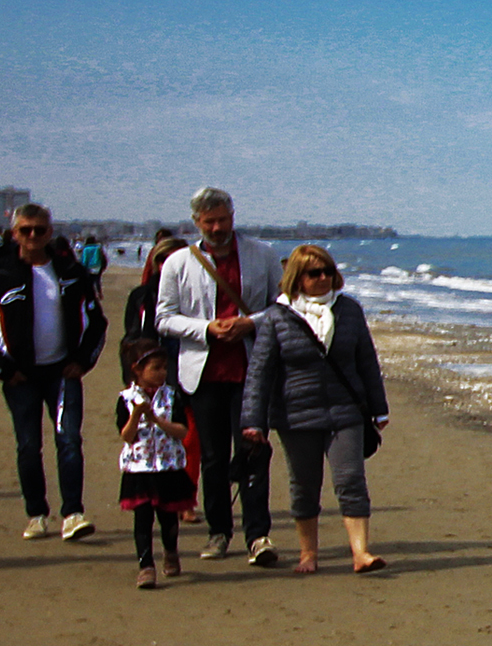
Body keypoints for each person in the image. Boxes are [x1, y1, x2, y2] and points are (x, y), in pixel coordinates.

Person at [241, 244, 390, 575]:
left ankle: (361, 552)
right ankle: (308, 553)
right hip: (296, 415)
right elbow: (260, 372)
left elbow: (367, 361)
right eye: (314, 273)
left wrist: (379, 409)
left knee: (351, 479)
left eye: (328, 271)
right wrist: (253, 421)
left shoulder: (349, 310)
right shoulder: (278, 316)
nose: (323, 278)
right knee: (304, 484)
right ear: (297, 278)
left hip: (346, 410)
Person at [157, 187, 283, 564]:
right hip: (202, 373)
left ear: (233, 215)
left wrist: (250, 322)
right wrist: (207, 329)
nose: (217, 227)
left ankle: (258, 535)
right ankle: (218, 531)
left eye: (223, 219)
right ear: (196, 222)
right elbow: (164, 317)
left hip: (250, 370)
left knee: (254, 451)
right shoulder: (179, 262)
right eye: (209, 222)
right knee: (212, 457)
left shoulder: (261, 255)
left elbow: (282, 304)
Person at [0, 203, 109, 542]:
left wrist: (83, 361)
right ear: (14, 232)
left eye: (40, 229)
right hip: (19, 376)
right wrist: (2, 369)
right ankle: (36, 513)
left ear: (51, 232)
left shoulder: (71, 271)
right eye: (25, 230)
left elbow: (97, 322)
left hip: (62, 373)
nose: (33, 236)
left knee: (69, 440)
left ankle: (73, 513)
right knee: (27, 445)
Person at [114, 338, 193, 590]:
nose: (162, 373)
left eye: (164, 368)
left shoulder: (172, 396)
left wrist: (157, 420)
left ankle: (170, 551)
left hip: (168, 468)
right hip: (140, 468)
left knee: (168, 517)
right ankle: (145, 565)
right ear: (137, 369)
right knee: (143, 517)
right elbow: (126, 436)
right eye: (155, 368)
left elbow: (182, 431)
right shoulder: (126, 399)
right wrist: (136, 415)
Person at [117, 232, 183, 383]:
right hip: (156, 369)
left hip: (191, 368)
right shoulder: (143, 296)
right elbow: (133, 337)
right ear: (159, 263)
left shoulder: (200, 295)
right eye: (169, 260)